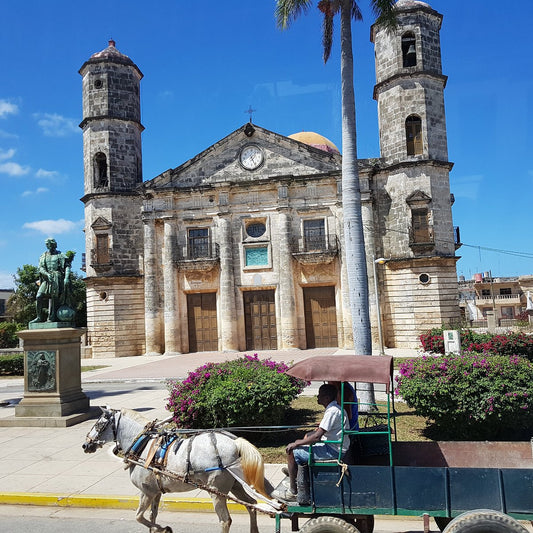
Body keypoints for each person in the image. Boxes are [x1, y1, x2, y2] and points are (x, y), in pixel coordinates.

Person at [273, 383, 349, 502]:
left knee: (292, 451)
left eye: (320, 395)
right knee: (305, 438)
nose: (317, 397)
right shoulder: (337, 409)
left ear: (327, 398)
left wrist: (297, 443)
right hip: (336, 446)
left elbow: (317, 437)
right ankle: (297, 476)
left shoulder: (332, 411)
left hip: (333, 450)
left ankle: (293, 491)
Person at [30, 238, 74, 323]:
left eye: (49, 244)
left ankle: (51, 317)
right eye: (47, 244)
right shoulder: (43, 255)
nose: (48, 246)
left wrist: (67, 278)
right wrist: (46, 274)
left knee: (54, 297)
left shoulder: (60, 255)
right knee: (39, 296)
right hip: (46, 278)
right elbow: (41, 268)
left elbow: (67, 266)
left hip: (57, 277)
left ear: (53, 244)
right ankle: (39, 317)